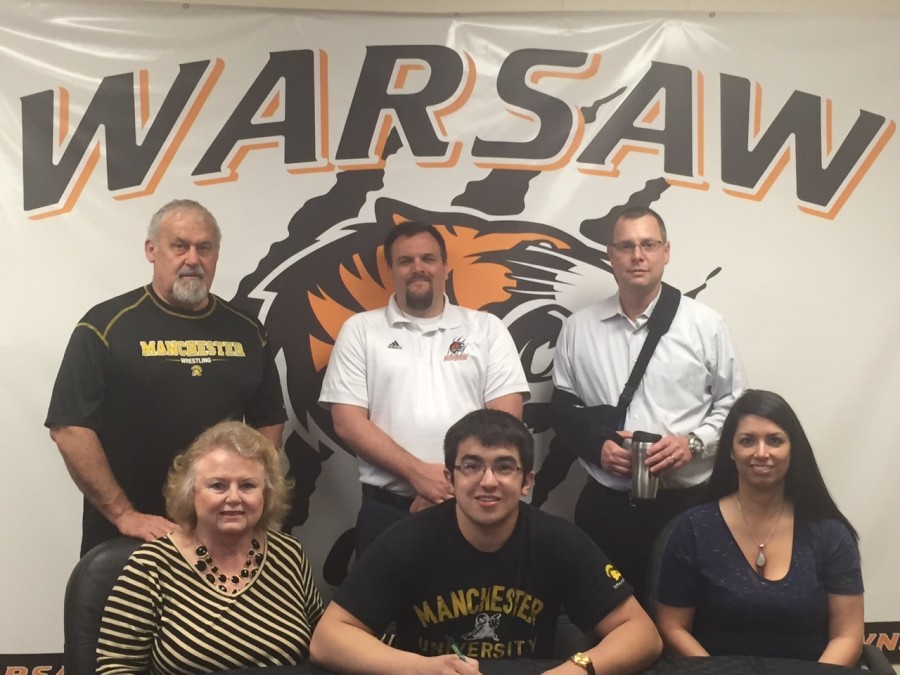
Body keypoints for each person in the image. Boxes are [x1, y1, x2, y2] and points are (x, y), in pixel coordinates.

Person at [310, 409, 662, 675]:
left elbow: (643, 634)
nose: (488, 481)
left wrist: (576, 669)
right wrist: (422, 667)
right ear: (450, 477)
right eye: (472, 466)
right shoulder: (407, 540)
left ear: (527, 482)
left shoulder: (559, 540)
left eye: (505, 467)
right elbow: (328, 639)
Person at [46, 199, 286, 555]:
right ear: (151, 250)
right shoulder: (105, 327)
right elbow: (69, 429)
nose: (193, 259)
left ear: (216, 254)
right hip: (130, 539)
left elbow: (269, 423)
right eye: (180, 246)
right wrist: (125, 514)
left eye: (204, 248)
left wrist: (247, 502)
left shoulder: (248, 331)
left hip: (221, 539)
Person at [551, 206, 745, 596]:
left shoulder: (705, 325)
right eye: (625, 246)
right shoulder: (578, 329)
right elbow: (563, 411)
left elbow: (735, 406)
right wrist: (598, 447)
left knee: (687, 620)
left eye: (648, 244)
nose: (637, 255)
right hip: (606, 508)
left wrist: (692, 444)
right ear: (610, 254)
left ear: (666, 252)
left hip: (686, 505)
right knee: (607, 621)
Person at [319, 220, 530, 555]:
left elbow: (505, 420)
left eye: (428, 259)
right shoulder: (360, 330)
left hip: (474, 506)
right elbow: (347, 422)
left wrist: (451, 485)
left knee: (474, 605)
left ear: (445, 266)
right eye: (405, 261)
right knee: (385, 608)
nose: (418, 268)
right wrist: (419, 476)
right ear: (391, 270)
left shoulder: (487, 329)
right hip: (388, 511)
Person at [655, 390, 863, 666]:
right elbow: (673, 628)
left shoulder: (829, 533)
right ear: (730, 450)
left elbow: (847, 637)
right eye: (747, 441)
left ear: (792, 450)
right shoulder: (694, 528)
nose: (761, 453)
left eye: (775, 441)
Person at [96, 421, 323, 673]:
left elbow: (323, 644)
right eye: (218, 485)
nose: (234, 498)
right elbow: (115, 668)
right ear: (190, 492)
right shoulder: (150, 565)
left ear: (266, 494)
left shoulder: (289, 555)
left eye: (247, 485)